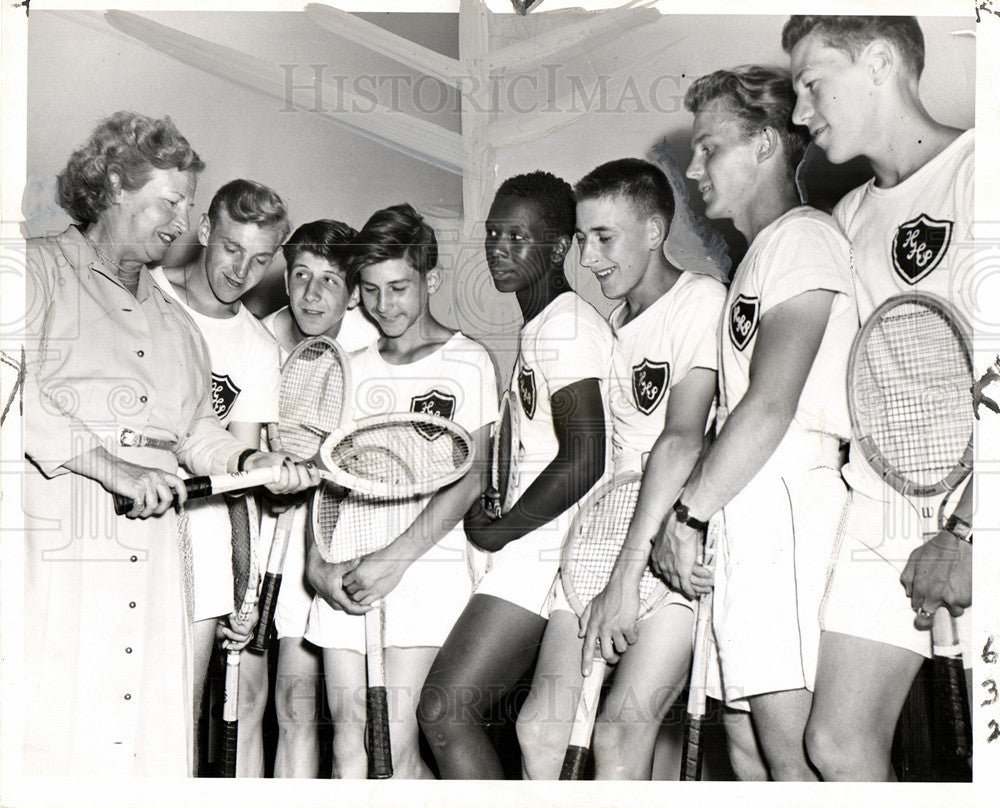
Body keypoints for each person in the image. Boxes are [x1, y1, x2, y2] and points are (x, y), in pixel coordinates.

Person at [21, 111, 315, 777]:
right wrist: (113, 468)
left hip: (157, 565)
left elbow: (195, 432)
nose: (181, 222)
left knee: (147, 747)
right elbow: (15, 397)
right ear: (115, 187)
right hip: (58, 557)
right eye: (170, 201)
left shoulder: (174, 325)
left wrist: (252, 462)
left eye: (187, 203)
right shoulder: (34, 270)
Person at [782, 15, 975, 780]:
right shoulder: (848, 218)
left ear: (880, 63)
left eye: (812, 84)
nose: (801, 113)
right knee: (835, 742)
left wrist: (967, 531)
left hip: (976, 505)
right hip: (881, 506)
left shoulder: (981, 170)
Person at [654, 66, 858, 780]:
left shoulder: (802, 238)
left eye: (710, 148)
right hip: (743, 512)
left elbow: (771, 404)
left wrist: (686, 515)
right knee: (744, 744)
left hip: (787, 506)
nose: (691, 166)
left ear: (768, 144)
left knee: (794, 748)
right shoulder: (758, 257)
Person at [512, 158, 725, 780]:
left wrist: (628, 577)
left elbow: (683, 441)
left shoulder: (701, 301)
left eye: (605, 238)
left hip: (668, 551)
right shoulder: (609, 326)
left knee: (620, 734)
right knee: (541, 732)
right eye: (582, 239)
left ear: (655, 232)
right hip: (597, 546)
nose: (589, 256)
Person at [416, 171, 611, 779]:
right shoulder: (541, 325)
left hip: (549, 552)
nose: (498, 248)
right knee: (506, 729)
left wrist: (503, 531)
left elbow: (586, 456)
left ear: (557, 248)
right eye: (493, 234)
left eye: (517, 237)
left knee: (445, 711)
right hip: (531, 551)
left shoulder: (567, 325)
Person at [304, 203, 496, 778]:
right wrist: (317, 565)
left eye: (399, 288)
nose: (384, 306)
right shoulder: (349, 367)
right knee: (348, 741)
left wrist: (396, 559)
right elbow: (325, 481)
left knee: (397, 744)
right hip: (348, 569)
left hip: (422, 571)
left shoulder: (468, 362)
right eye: (369, 290)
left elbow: (474, 477)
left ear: (430, 280)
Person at [149, 178, 290, 774]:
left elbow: (242, 475)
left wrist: (246, 587)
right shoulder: (144, 296)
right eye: (233, 248)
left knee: (177, 713)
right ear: (206, 230)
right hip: (129, 526)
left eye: (261, 258)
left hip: (202, 545)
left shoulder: (258, 349)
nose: (242, 270)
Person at [246, 219, 380, 778]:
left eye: (330, 279)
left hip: (340, 543)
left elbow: (375, 464)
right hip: (273, 537)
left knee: (343, 717)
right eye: (300, 274)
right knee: (281, 705)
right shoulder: (265, 337)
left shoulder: (373, 349)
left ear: (351, 293)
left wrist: (320, 473)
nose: (311, 293)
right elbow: (248, 447)